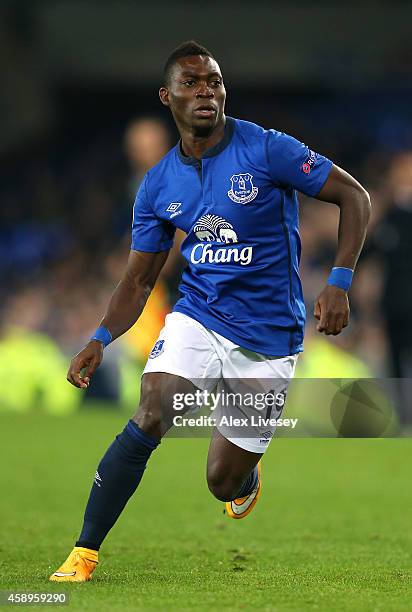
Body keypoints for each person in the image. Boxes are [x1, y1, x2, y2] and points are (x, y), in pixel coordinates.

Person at [50, 41, 371, 582]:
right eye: (192, 82)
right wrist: (100, 337)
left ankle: (245, 478)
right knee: (152, 408)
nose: (206, 91)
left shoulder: (267, 149)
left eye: (215, 82)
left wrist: (339, 282)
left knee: (221, 482)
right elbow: (140, 278)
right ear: (166, 96)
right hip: (200, 314)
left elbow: (355, 197)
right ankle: (84, 551)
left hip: (271, 334)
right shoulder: (157, 184)